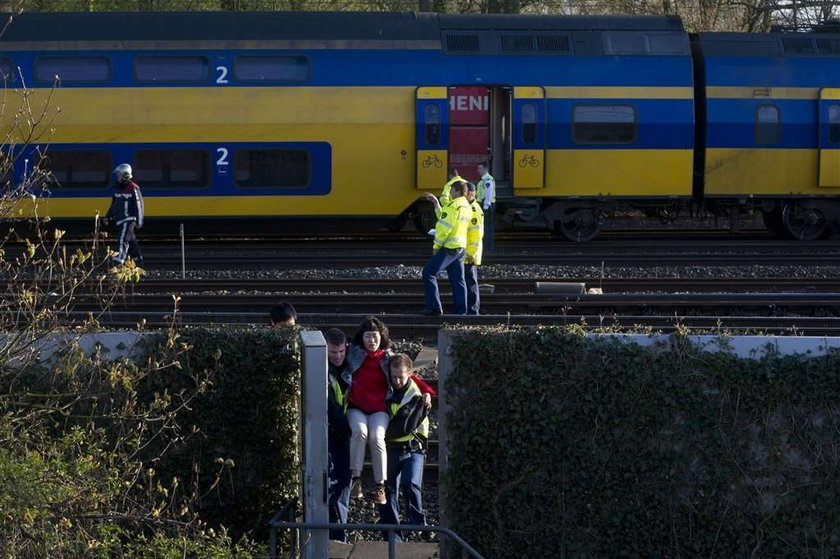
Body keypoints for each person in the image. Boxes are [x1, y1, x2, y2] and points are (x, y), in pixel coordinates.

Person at [342, 317, 435, 505]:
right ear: (362, 338)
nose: (371, 341)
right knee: (360, 432)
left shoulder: (387, 357)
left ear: (381, 338)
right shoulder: (353, 352)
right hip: (356, 407)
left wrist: (427, 391)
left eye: (375, 337)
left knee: (377, 437)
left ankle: (380, 486)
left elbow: (409, 375)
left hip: (379, 409)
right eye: (367, 336)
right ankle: (356, 480)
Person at [378, 353, 430, 542]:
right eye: (394, 376)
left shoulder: (415, 396)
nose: (398, 380)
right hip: (391, 448)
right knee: (386, 490)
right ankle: (392, 536)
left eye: (402, 376)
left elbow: (402, 428)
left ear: (410, 374)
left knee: (410, 483)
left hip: (412, 447)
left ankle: (417, 523)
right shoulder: (387, 389)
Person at [421, 180, 471, 316]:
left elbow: (444, 228)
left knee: (428, 273)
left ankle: (434, 308)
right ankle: (461, 312)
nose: (449, 192)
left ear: (457, 191)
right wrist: (436, 204)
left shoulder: (453, 206)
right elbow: (445, 218)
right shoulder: (466, 206)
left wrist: (436, 247)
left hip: (449, 248)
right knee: (458, 280)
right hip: (460, 248)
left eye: (451, 190)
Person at [325, 328, 351, 542]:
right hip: (335, 435)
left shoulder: (349, 367)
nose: (338, 356)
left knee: (343, 487)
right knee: (336, 487)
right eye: (334, 352)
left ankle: (338, 535)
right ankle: (336, 537)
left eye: (341, 351)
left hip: (344, 436)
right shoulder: (325, 373)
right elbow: (331, 409)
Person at [104, 163, 144, 266]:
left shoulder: (133, 188)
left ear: (125, 175)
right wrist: (108, 216)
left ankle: (119, 259)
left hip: (129, 219)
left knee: (123, 238)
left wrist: (139, 221)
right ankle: (138, 260)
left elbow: (139, 205)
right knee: (131, 241)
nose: (117, 177)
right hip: (120, 220)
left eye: (119, 175)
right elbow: (114, 204)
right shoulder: (117, 188)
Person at [464, 182, 484, 314]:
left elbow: (476, 235)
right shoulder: (469, 207)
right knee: (468, 282)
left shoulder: (474, 210)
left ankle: (473, 311)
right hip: (467, 253)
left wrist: (470, 254)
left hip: (470, 255)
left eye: (464, 192)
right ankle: (470, 310)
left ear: (471, 193)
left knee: (470, 282)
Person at [476, 162, 495, 254]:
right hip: (484, 204)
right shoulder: (483, 180)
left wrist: (485, 207)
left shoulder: (487, 180)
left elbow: (488, 194)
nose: (478, 170)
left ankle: (488, 248)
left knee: (487, 228)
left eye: (480, 168)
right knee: (486, 227)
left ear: (485, 169)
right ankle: (487, 248)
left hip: (486, 204)